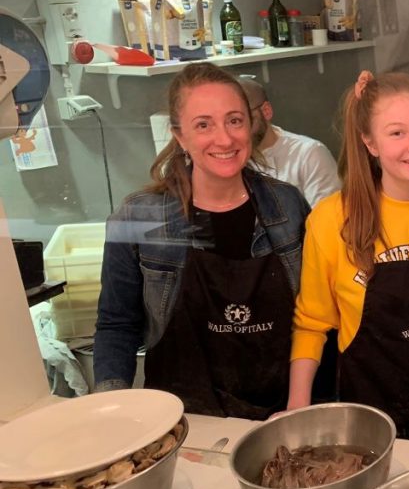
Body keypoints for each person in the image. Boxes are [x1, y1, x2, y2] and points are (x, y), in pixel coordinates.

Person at [94, 63, 309, 419]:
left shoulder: (288, 205)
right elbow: (117, 324)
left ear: (250, 126)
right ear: (180, 136)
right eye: (204, 125)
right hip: (184, 418)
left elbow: (315, 315)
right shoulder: (139, 216)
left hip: (283, 414)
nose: (224, 139)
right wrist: (110, 409)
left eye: (234, 121)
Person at [288, 70, 409, 447]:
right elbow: (312, 323)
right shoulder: (332, 220)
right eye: (397, 133)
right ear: (370, 142)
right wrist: (298, 405)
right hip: (373, 424)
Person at [239, 77, 341, 207]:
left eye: (245, 119)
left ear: (266, 111)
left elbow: (327, 220)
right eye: (233, 121)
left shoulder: (309, 154)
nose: (240, 132)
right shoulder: (231, 159)